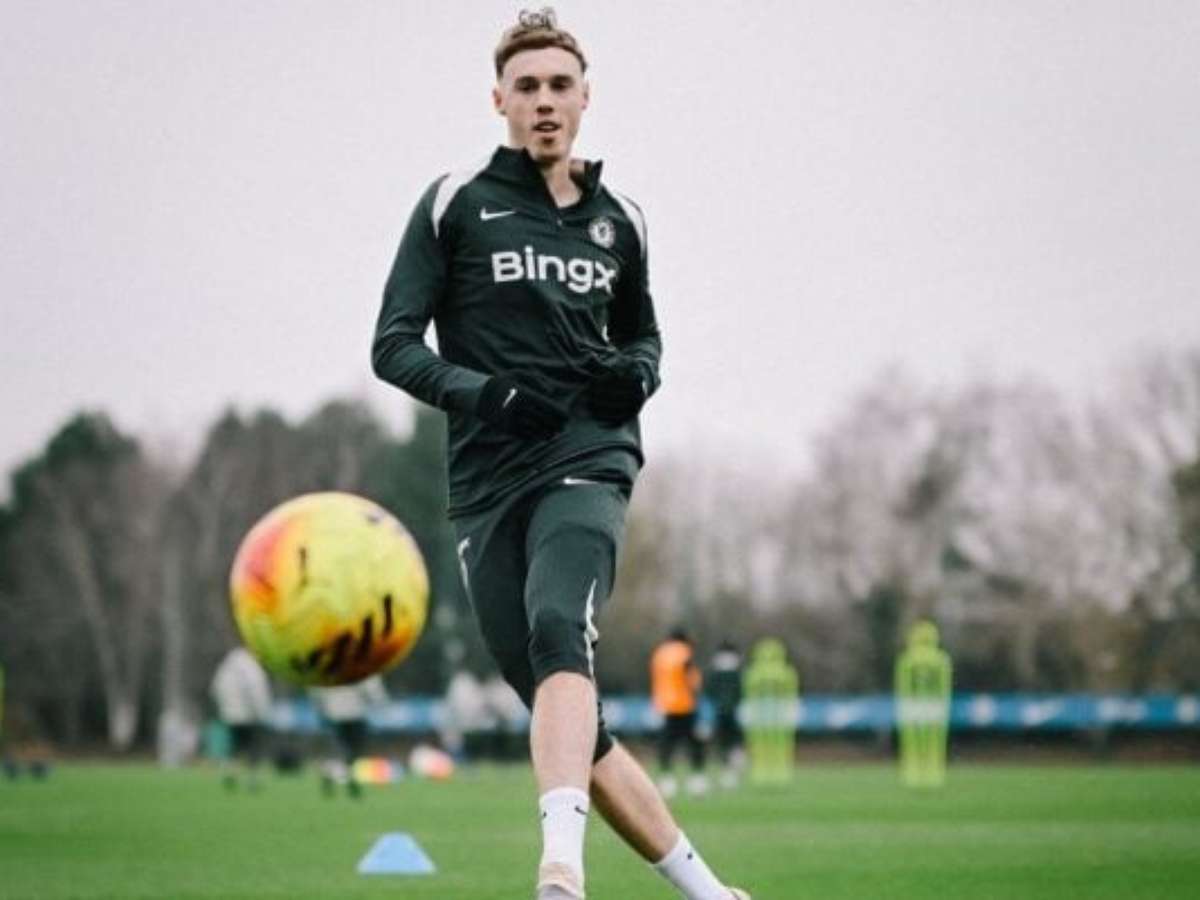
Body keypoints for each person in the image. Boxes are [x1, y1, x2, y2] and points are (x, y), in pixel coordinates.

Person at [371, 8, 750, 899]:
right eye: (528, 87)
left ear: (586, 98)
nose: (545, 101)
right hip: (486, 482)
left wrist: (639, 374)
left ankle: (559, 872)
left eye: (560, 86)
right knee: (569, 710)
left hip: (590, 458)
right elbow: (393, 346)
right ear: (498, 100)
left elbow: (644, 334)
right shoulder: (455, 203)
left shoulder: (623, 220)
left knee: (558, 628)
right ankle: (711, 893)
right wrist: (484, 393)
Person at [650, 628, 708, 798]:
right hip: (685, 704)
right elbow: (693, 680)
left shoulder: (659, 654)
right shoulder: (685, 652)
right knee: (694, 743)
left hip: (665, 706)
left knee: (667, 744)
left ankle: (667, 781)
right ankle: (697, 781)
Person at [309, 674, 388, 798]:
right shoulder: (358, 667)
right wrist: (380, 701)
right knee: (351, 750)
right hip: (354, 713)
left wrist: (320, 708)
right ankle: (349, 777)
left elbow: (317, 689)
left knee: (342, 749)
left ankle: (334, 773)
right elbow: (370, 686)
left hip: (335, 714)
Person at [209, 645, 273, 791]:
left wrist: (223, 708)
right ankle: (252, 778)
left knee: (234, 745)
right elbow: (256, 691)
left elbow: (215, 688)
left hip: (230, 714)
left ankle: (230, 770)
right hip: (249, 715)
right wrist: (262, 712)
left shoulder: (226, 666)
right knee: (253, 747)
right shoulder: (251, 667)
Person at [706, 640, 745, 789]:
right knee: (734, 741)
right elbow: (741, 691)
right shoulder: (737, 672)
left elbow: (709, 691)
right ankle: (733, 768)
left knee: (722, 743)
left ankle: (725, 771)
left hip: (720, 711)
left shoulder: (715, 671)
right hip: (733, 712)